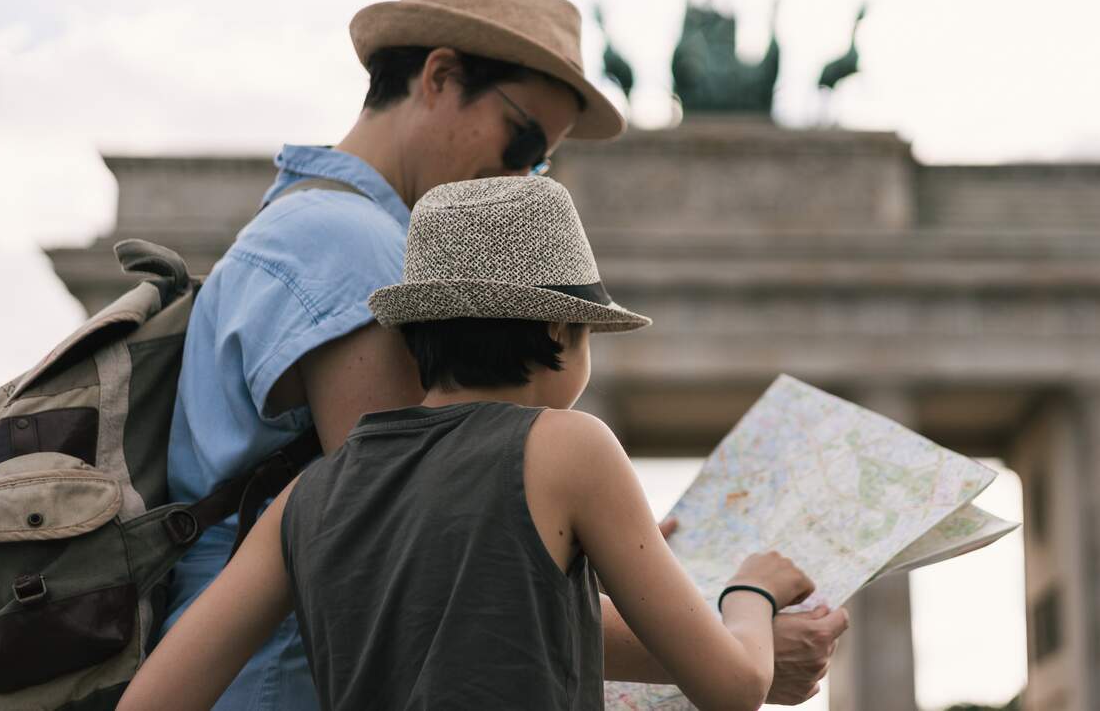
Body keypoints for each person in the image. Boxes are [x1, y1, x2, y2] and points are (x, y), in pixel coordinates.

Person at [162, 0, 846, 709]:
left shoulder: (311, 231)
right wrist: (732, 628)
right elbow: (435, 550)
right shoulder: (349, 243)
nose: (522, 176)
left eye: (543, 162)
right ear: (440, 76)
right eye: (523, 142)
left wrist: (586, 536)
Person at [122, 177, 818, 711]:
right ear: (559, 334)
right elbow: (735, 686)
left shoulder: (309, 495)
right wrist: (749, 592)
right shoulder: (573, 449)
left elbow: (150, 702)